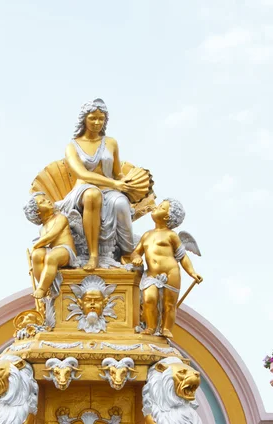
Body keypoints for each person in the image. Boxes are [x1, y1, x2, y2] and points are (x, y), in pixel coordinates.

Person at [57, 98, 137, 271]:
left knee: (122, 203)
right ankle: (93, 256)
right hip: (83, 189)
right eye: (92, 118)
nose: (97, 122)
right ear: (84, 119)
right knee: (92, 195)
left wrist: (127, 184)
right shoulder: (73, 146)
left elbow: (118, 172)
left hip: (110, 190)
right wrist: (115, 183)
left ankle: (128, 252)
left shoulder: (111, 143)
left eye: (101, 118)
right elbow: (83, 173)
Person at [130, 198, 203, 338]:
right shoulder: (147, 235)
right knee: (149, 299)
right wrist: (136, 258)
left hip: (171, 273)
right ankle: (151, 327)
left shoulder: (171, 235)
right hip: (151, 274)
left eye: (161, 207)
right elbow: (136, 252)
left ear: (167, 217)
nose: (156, 207)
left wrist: (192, 273)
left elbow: (183, 257)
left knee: (169, 305)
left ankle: (166, 328)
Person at [23, 192, 77, 299]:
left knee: (51, 257)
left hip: (66, 250)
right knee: (37, 255)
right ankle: (45, 286)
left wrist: (35, 246)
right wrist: (35, 251)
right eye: (43, 202)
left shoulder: (60, 218)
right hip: (53, 249)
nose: (48, 200)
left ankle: (42, 289)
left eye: (46, 199)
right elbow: (44, 243)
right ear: (38, 212)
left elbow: (51, 236)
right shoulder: (42, 229)